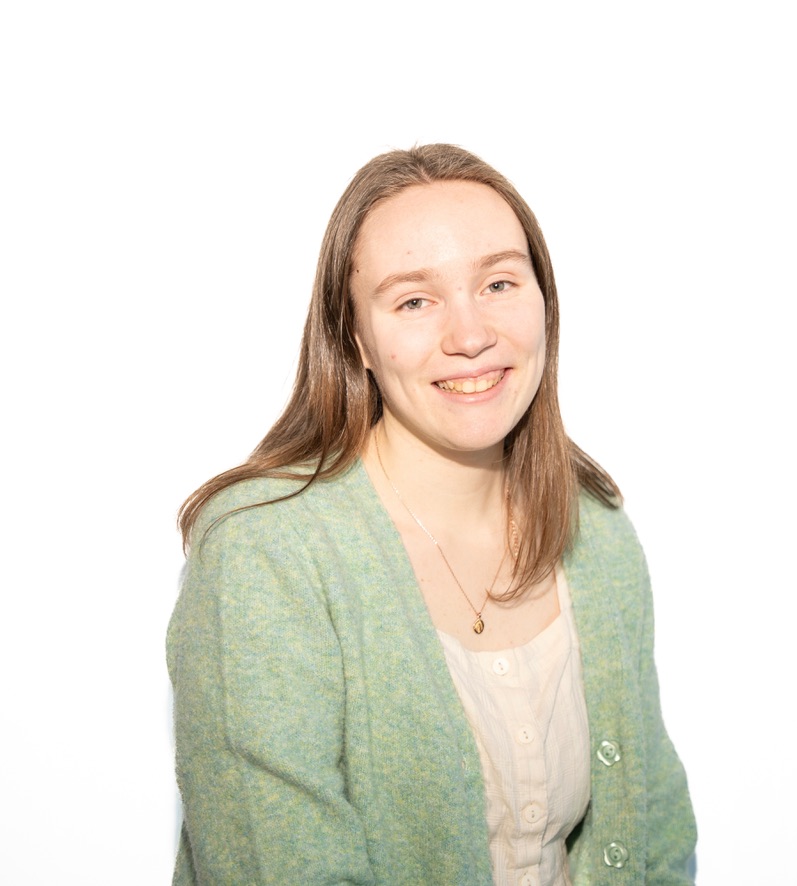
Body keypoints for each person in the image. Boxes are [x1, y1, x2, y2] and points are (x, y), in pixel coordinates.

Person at [167, 144, 696, 885]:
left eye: (500, 283)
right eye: (414, 300)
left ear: (545, 301)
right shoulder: (266, 556)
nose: (470, 335)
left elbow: (657, 836)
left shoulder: (597, 534)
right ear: (357, 339)